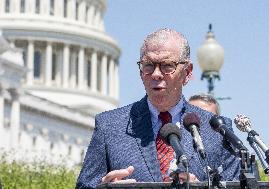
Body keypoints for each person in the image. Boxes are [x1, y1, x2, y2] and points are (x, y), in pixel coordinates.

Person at [76, 28, 240, 189]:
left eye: (167, 65)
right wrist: (103, 188)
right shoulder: (109, 126)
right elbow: (84, 185)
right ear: (141, 72)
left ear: (187, 73)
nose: (156, 74)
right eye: (148, 65)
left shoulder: (217, 130)